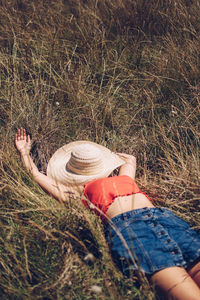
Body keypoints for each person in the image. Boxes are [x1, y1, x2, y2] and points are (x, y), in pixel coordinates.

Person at [15, 128, 200, 300]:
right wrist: (24, 152)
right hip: (136, 229)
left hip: (164, 220)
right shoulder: (80, 193)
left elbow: (130, 160)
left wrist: (108, 158)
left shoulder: (121, 179)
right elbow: (37, 175)